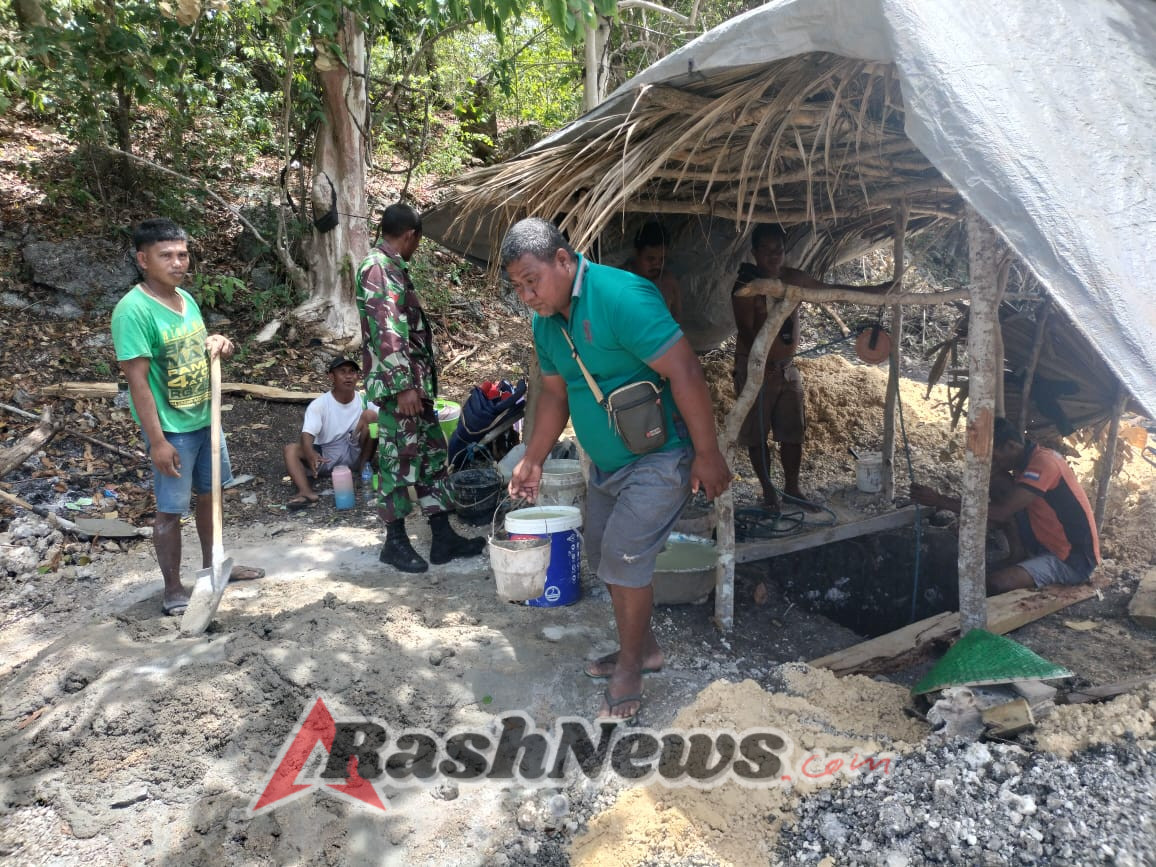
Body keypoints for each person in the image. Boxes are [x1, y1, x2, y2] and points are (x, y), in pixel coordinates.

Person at [501, 217, 731, 724]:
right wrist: (533, 459)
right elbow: (558, 394)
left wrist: (708, 453)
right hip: (607, 463)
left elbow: (685, 370)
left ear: (563, 260)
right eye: (517, 287)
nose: (527, 295)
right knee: (604, 553)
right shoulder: (546, 325)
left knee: (625, 557)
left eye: (531, 280)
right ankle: (644, 648)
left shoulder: (623, 296)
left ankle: (630, 667)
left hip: (661, 453)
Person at [111, 218, 264, 617]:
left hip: (205, 419)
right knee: (170, 511)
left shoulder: (184, 299)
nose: (178, 263)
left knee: (211, 497)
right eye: (167, 256)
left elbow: (198, 346)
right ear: (143, 259)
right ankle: (173, 588)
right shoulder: (133, 311)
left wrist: (218, 342)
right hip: (172, 430)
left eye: (182, 254)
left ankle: (214, 568)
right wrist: (158, 441)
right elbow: (138, 383)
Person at [355, 203, 486, 573]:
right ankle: (394, 542)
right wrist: (402, 387)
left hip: (416, 388)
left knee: (430, 457)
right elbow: (386, 330)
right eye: (418, 241)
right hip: (402, 391)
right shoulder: (378, 268)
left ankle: (442, 535)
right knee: (398, 461)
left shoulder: (393, 268)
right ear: (411, 235)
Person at [732, 223, 892, 511]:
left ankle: (792, 489)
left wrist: (876, 291)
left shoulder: (793, 278)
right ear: (754, 252)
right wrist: (761, 362)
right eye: (766, 250)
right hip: (756, 367)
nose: (773, 256)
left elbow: (831, 291)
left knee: (792, 431)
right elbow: (744, 331)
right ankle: (769, 493)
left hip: (786, 366)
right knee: (757, 434)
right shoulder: (746, 286)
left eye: (778, 250)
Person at [910, 417, 1100, 594]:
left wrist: (939, 500)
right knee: (998, 480)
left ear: (1010, 446)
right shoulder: (1025, 460)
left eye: (994, 456)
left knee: (995, 583)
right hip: (1044, 542)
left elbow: (1001, 513)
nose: (993, 462)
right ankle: (1018, 553)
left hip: (1072, 559)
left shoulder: (1044, 463)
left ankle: (1029, 564)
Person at [282, 356, 377, 510]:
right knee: (290, 449)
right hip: (326, 454)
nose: (348, 376)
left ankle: (363, 468)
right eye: (342, 372)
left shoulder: (365, 400)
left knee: (371, 416)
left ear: (357, 377)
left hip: (355, 449)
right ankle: (305, 491)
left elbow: (381, 425)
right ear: (331, 376)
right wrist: (310, 452)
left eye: (352, 372)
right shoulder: (320, 404)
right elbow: (307, 434)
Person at [623, 220, 683, 323]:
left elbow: (677, 316)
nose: (657, 264)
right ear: (636, 253)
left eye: (662, 259)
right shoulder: (621, 278)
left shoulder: (669, 281)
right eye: (650, 259)